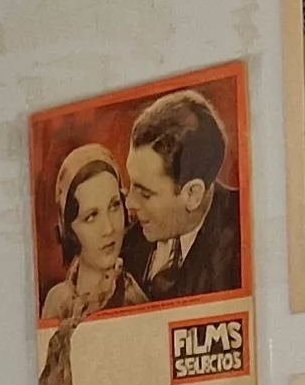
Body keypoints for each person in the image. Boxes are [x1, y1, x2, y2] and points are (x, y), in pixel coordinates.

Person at [123, 86, 240, 301]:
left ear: (193, 194)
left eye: (146, 194)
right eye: (131, 185)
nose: (129, 202)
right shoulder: (126, 245)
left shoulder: (242, 241)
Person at [42, 143, 150, 326]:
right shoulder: (55, 300)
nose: (109, 228)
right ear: (69, 231)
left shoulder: (135, 304)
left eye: (114, 206)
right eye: (91, 216)